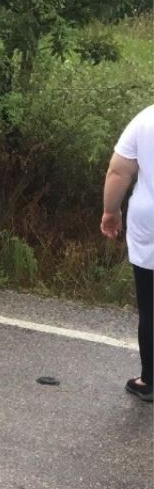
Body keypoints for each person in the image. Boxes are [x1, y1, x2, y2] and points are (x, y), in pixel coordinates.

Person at [101, 105, 154, 402]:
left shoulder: (146, 119)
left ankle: (150, 381)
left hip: (150, 223)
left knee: (150, 305)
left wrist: (111, 212)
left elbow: (118, 171)